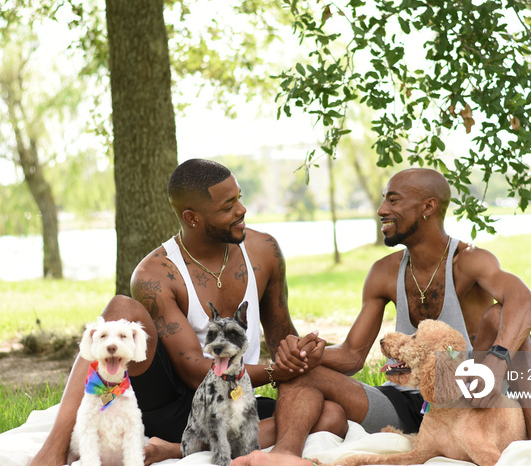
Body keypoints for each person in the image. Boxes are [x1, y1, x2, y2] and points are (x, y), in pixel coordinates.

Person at [30, 159, 347, 466]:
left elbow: (281, 338)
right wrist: (277, 372)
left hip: (236, 402)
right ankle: (53, 449)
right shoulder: (156, 273)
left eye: (239, 198)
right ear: (192, 218)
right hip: (171, 404)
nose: (241, 210)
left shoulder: (265, 251)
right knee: (120, 308)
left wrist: (298, 351)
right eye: (227, 207)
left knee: (330, 415)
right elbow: (196, 371)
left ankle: (177, 450)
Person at [243, 167, 531, 464]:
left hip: (464, 400)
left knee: (500, 317)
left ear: (428, 207)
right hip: (401, 403)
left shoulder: (468, 261)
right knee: (303, 372)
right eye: (384, 200)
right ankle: (284, 456)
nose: (381, 209)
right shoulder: (384, 272)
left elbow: (525, 302)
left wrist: (496, 360)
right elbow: (352, 356)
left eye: (393, 200)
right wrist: (304, 356)